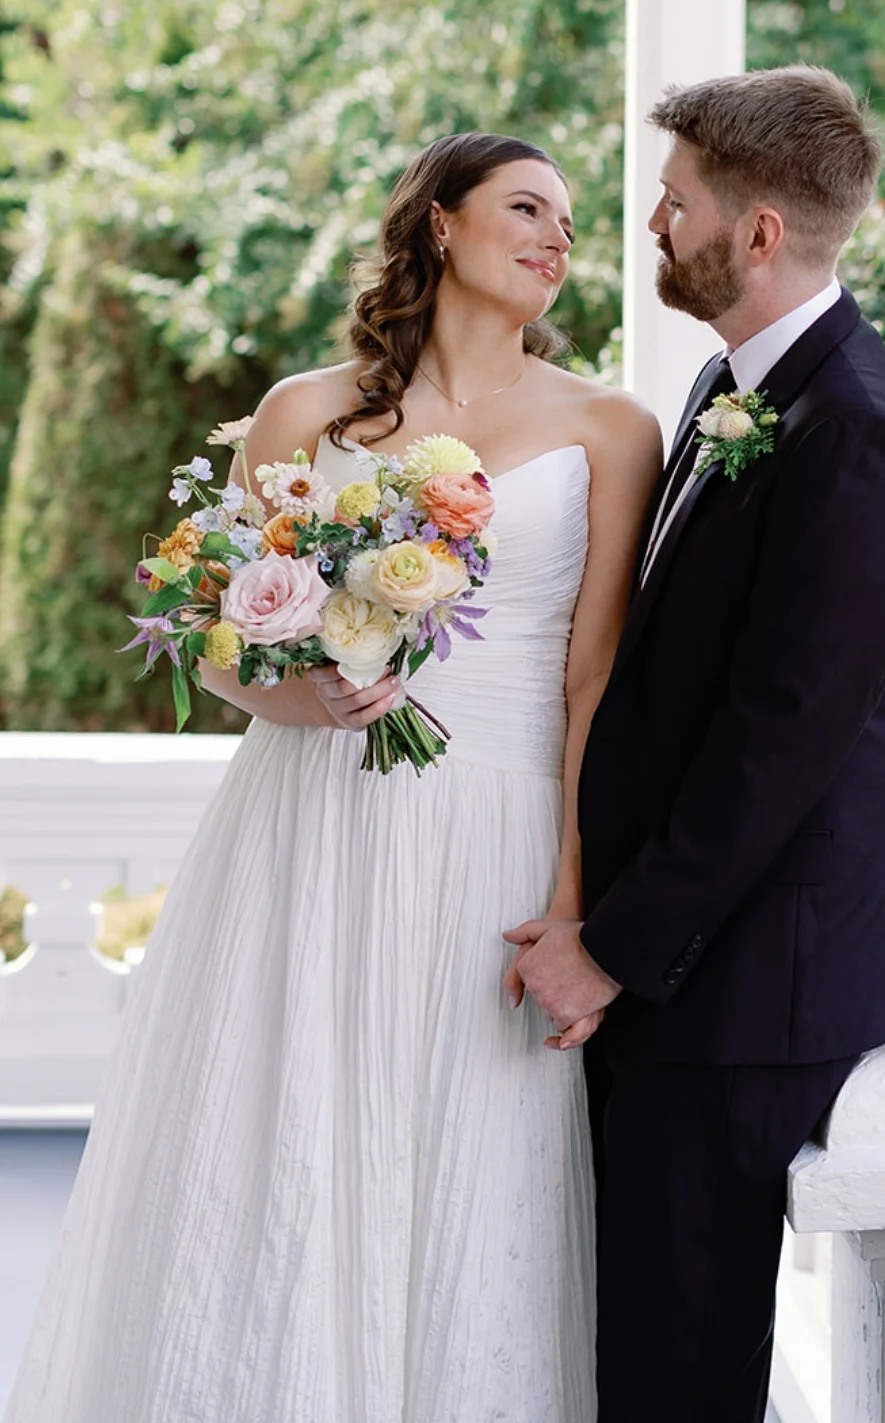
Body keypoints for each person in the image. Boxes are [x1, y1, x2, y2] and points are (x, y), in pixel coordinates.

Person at [4, 132, 660, 1422]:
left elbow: (594, 685)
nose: (557, 238)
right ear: (439, 224)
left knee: (467, 1154)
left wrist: (574, 903)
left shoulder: (611, 426)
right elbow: (227, 642)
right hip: (306, 819)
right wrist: (300, 694)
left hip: (497, 831)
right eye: (527, 207)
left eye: (569, 224)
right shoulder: (306, 414)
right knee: (278, 1131)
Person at [504, 67, 885, 1422]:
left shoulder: (862, 437)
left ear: (757, 234)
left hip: (756, 986)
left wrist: (615, 949)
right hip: (705, 959)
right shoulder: (737, 382)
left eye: (677, 199)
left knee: (676, 1361)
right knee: (639, 1337)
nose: (648, 219)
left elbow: (780, 751)